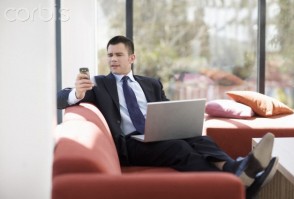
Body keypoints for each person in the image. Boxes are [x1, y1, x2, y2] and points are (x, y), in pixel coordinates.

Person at [57, 35, 278, 198]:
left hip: (156, 133)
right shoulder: (99, 84)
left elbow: (167, 110)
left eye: (118, 55)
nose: (113, 59)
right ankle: (238, 179)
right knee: (177, 148)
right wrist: (77, 93)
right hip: (130, 144)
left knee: (198, 138)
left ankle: (237, 172)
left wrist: (181, 121)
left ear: (132, 57)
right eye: (110, 55)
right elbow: (59, 99)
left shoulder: (151, 83)